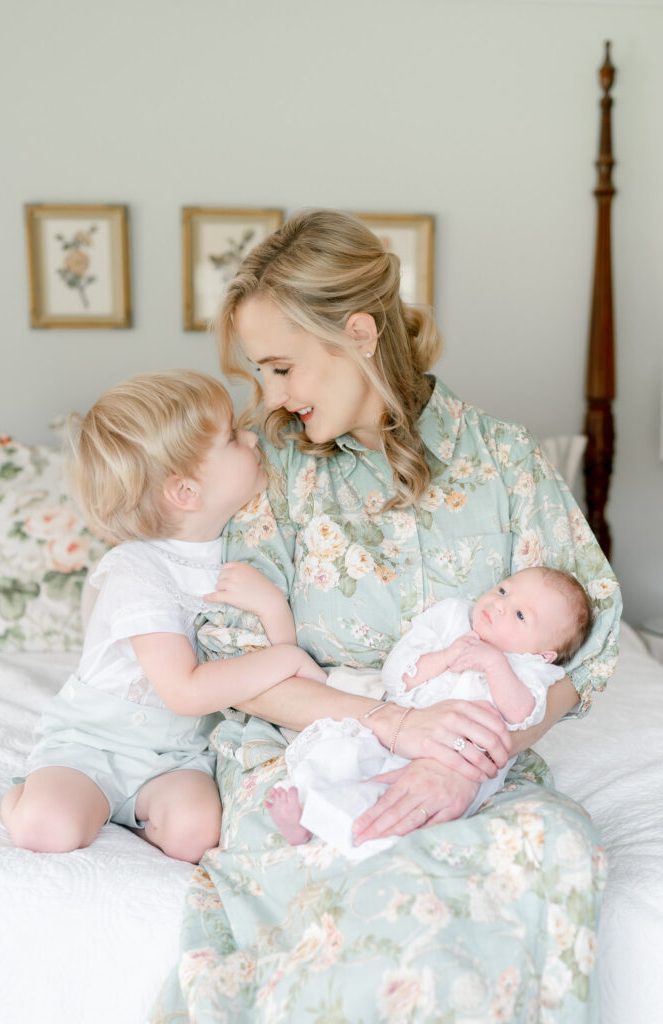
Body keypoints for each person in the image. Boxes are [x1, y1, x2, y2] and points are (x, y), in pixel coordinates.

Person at [152, 210, 621, 1021]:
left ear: (360, 333)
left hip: (474, 757)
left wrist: (465, 759)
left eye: (282, 367)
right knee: (361, 879)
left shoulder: (503, 460)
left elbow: (589, 651)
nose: (271, 397)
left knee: (548, 846)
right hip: (311, 751)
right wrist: (392, 725)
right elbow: (232, 664)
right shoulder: (273, 473)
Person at [0, 369, 325, 864]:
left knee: (197, 833)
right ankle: (23, 800)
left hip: (178, 755)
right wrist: (287, 656)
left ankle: (136, 817)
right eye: (233, 437)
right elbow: (186, 689)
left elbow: (275, 662)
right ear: (186, 492)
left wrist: (273, 609)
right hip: (95, 743)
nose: (253, 437)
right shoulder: (138, 570)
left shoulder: (246, 545)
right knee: (47, 828)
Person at [265, 566, 593, 860]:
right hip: (400, 734)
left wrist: (495, 664)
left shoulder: (531, 669)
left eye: (520, 615)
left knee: (404, 807)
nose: (500, 605)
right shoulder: (451, 618)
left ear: (545, 654)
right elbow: (396, 677)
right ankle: (306, 813)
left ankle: (349, 838)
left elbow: (524, 715)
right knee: (339, 752)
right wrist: (447, 657)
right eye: (503, 590)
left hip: (456, 766)